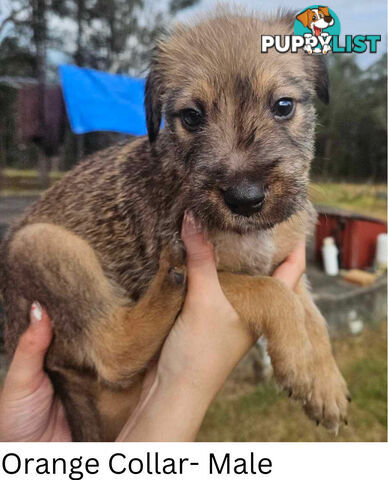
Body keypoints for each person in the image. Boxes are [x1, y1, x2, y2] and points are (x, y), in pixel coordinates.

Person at [0, 212, 305, 442]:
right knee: (31, 244)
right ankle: (116, 343)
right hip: (83, 352)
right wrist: (187, 382)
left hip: (60, 420)